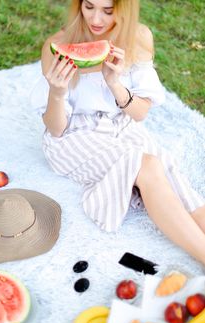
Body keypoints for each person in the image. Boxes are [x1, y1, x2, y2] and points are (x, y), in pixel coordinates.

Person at [30, 0, 205, 265]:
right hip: (73, 137)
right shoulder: (56, 45)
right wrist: (56, 91)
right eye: (89, 7)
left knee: (169, 170)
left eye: (108, 11)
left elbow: (140, 114)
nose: (96, 18)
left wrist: (115, 83)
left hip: (121, 124)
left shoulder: (139, 38)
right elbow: (56, 129)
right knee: (147, 165)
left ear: (124, 9)